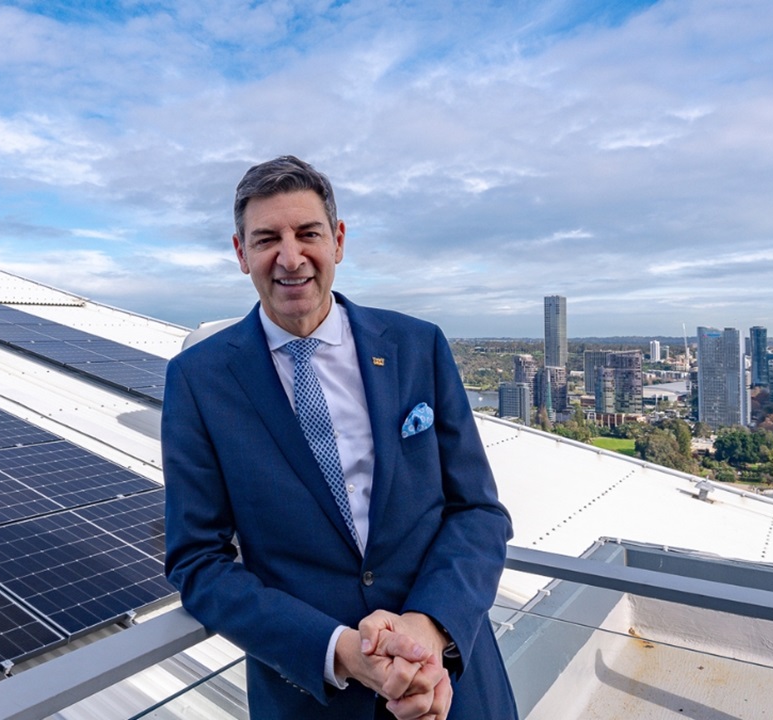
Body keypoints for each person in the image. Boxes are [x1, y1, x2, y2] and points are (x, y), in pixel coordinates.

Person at [161, 155, 517, 719]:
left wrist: (427, 628)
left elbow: (478, 511)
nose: (290, 257)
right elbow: (198, 561)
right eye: (266, 239)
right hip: (312, 700)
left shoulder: (417, 345)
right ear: (241, 253)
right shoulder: (198, 380)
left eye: (308, 233)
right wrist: (342, 652)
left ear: (339, 240)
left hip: (450, 687)